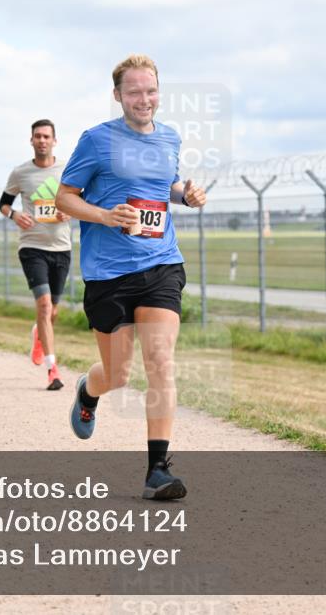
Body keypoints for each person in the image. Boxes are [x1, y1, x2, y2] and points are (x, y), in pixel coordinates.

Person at [55, 55, 207, 500]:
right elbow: (65, 198)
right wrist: (102, 215)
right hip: (108, 273)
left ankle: (157, 470)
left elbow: (166, 186)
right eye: (135, 91)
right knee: (118, 374)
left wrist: (186, 194)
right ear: (118, 95)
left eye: (151, 90)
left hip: (161, 262)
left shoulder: (170, 138)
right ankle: (88, 390)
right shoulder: (97, 141)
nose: (145, 99)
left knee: (160, 362)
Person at [0, 119, 72, 391]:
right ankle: (53, 370)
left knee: (51, 311)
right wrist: (16, 215)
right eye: (37, 136)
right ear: (31, 141)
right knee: (43, 305)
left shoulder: (66, 170)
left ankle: (38, 334)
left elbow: (79, 201)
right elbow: (4, 204)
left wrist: (71, 211)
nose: (42, 140)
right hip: (32, 247)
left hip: (61, 248)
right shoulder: (21, 173)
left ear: (55, 140)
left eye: (46, 136)